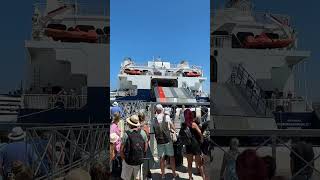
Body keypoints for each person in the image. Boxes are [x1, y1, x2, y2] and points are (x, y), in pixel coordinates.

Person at [152, 104, 178, 179]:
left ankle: (163, 175)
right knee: (171, 157)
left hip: (159, 141)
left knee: (162, 158)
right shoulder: (166, 116)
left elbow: (153, 128)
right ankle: (173, 174)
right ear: (162, 109)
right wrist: (175, 131)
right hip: (167, 140)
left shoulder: (154, 119)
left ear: (156, 110)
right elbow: (171, 125)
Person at [121, 115, 148, 180]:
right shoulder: (143, 133)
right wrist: (141, 155)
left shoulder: (126, 134)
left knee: (126, 178)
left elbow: (121, 149)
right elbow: (146, 147)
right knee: (137, 178)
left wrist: (123, 158)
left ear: (130, 124)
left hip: (128, 160)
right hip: (138, 160)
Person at [184, 109, 205, 180]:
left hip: (188, 145)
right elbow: (200, 133)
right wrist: (202, 140)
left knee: (189, 163)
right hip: (195, 145)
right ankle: (204, 177)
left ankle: (190, 178)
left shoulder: (184, 124)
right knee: (199, 163)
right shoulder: (193, 124)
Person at [138, 112, 153, 179]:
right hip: (145, 146)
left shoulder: (136, 126)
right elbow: (148, 136)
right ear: (144, 117)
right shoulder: (145, 126)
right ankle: (146, 176)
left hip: (137, 146)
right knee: (146, 162)